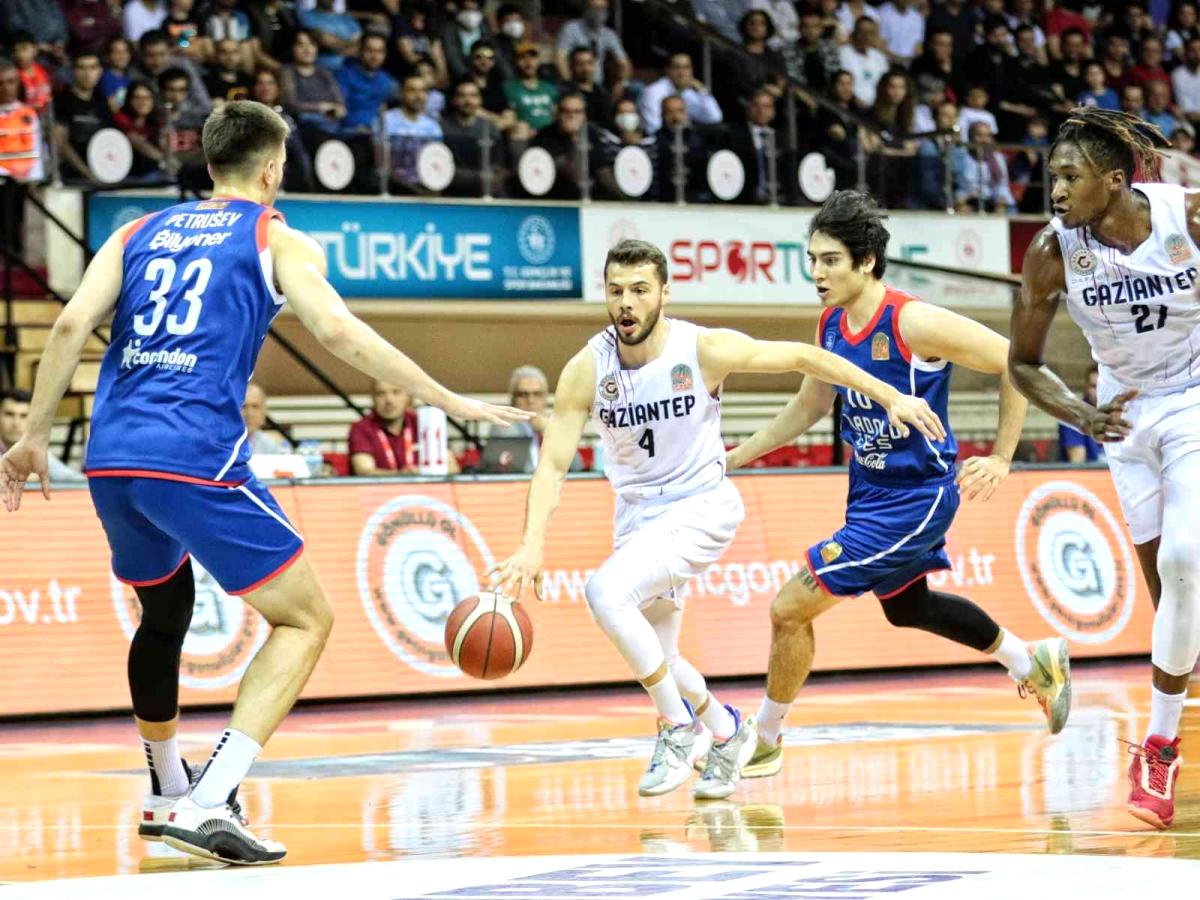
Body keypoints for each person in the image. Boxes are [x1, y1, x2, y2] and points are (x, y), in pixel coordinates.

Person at [0, 100, 527, 865]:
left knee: (166, 608)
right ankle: (210, 802)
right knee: (307, 620)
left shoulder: (135, 231)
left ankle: (163, 790)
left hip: (111, 458)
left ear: (210, 162)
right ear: (273, 169)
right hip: (195, 456)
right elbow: (340, 334)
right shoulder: (275, 237)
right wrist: (443, 395)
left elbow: (72, 324)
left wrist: (34, 434)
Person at [490, 238, 944, 801]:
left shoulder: (700, 348)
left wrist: (887, 393)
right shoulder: (588, 368)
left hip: (700, 505)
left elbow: (806, 359)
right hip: (637, 515)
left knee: (606, 592)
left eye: (638, 290)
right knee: (664, 655)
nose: (625, 303)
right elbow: (553, 462)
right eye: (615, 292)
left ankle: (677, 728)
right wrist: (532, 542)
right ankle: (728, 732)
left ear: (663, 292)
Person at [727, 190, 1071, 787]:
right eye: (812, 259)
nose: (816, 273)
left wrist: (1002, 455)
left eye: (830, 260)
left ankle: (763, 741)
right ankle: (1031, 660)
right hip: (868, 492)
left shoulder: (912, 321)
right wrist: (733, 457)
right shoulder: (831, 322)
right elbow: (808, 405)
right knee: (909, 608)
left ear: (866, 262)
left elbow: (1019, 361)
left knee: (788, 609)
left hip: (918, 497)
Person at [1009, 107, 1195, 830]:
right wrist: (1081, 417)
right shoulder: (1052, 252)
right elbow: (1023, 364)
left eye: (1069, 177)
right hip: (1120, 420)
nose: (1054, 190)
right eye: (1050, 175)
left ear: (1114, 182)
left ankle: (1159, 747)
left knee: (1183, 562)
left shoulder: (1188, 221)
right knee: (1172, 593)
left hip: (1193, 399)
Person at [486, 365, 583, 473]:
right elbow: (514, 469)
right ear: (513, 399)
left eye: (537, 394)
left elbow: (577, 466)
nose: (531, 400)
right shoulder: (504, 426)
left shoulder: (553, 424)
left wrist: (550, 431)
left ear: (545, 398)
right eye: (523, 394)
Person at [0, 389, 84, 483]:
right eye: (9, 414)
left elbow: (75, 479)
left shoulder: (33, 450)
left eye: (24, 416)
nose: (16, 423)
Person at [1058, 364, 1104, 463]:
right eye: (1094, 387)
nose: (1098, 392)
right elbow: (1078, 463)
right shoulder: (1073, 414)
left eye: (1102, 387)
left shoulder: (1122, 412)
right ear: (1086, 388)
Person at [243, 382, 290, 455]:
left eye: (255, 407)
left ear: (264, 412)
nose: (249, 414)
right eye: (243, 406)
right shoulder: (222, 444)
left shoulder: (271, 445)